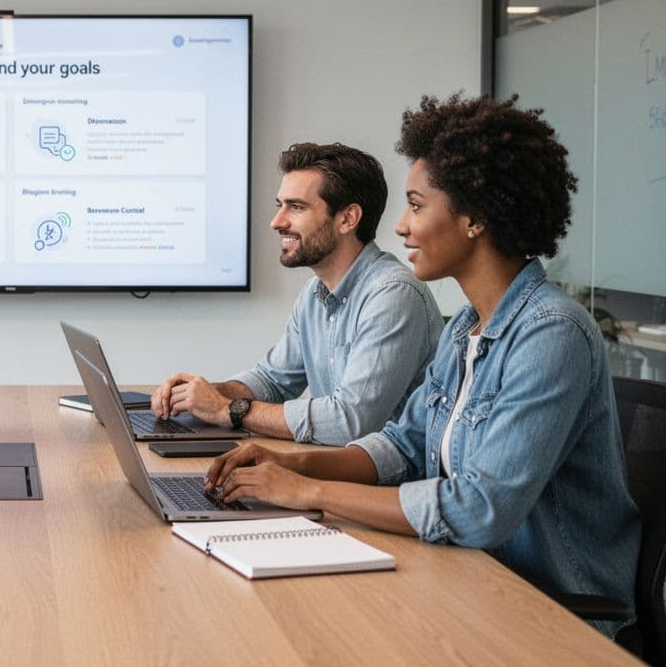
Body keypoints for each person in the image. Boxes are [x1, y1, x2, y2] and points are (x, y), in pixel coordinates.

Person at [205, 94, 639, 637]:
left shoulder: (552, 334)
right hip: (468, 576)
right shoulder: (465, 329)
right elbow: (404, 444)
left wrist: (309, 493)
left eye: (416, 205)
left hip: (547, 607)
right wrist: (289, 466)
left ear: (475, 217)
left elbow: (480, 507)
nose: (403, 229)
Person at [152, 143, 442, 445]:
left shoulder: (393, 295)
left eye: (297, 207)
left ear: (347, 219)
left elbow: (350, 422)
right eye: (280, 205)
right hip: (335, 472)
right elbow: (272, 381)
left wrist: (227, 410)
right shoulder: (315, 293)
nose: (277, 221)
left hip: (385, 485)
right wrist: (201, 395)